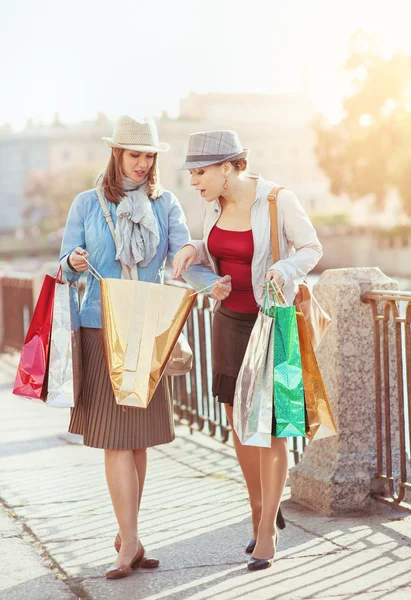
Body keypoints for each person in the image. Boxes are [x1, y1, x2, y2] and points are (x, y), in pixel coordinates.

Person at [59, 115, 225, 580]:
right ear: (117, 155)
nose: (142, 164)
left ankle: (128, 535)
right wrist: (72, 260)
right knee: (116, 439)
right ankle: (129, 541)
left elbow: (181, 260)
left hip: (148, 330)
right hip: (101, 330)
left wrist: (211, 283)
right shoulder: (87, 205)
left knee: (138, 443)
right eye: (134, 155)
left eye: (149, 156)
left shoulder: (165, 202)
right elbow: (65, 268)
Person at [173, 130, 323, 571]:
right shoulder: (212, 204)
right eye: (192, 174)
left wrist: (283, 267)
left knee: (271, 426)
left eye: (199, 173)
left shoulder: (277, 200)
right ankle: (260, 508)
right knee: (237, 420)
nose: (194, 182)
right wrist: (193, 248)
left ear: (226, 167)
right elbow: (221, 248)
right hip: (228, 323)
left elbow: (312, 248)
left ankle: (265, 534)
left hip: (270, 324)